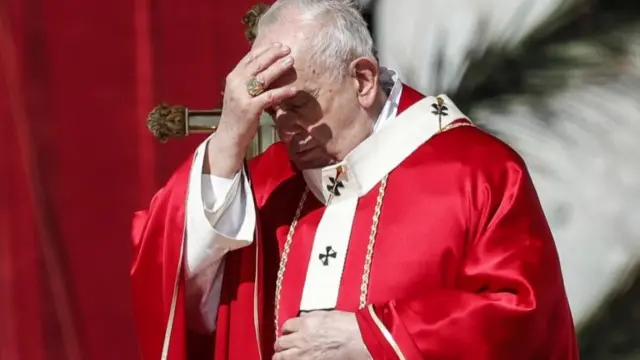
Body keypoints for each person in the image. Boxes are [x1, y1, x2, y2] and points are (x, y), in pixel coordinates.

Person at [130, 0, 579, 359]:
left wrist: (376, 338)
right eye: (272, 112)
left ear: (362, 79)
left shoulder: (476, 174)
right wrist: (229, 137)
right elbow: (172, 279)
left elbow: (525, 319)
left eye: (300, 105)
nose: (285, 130)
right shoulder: (267, 186)